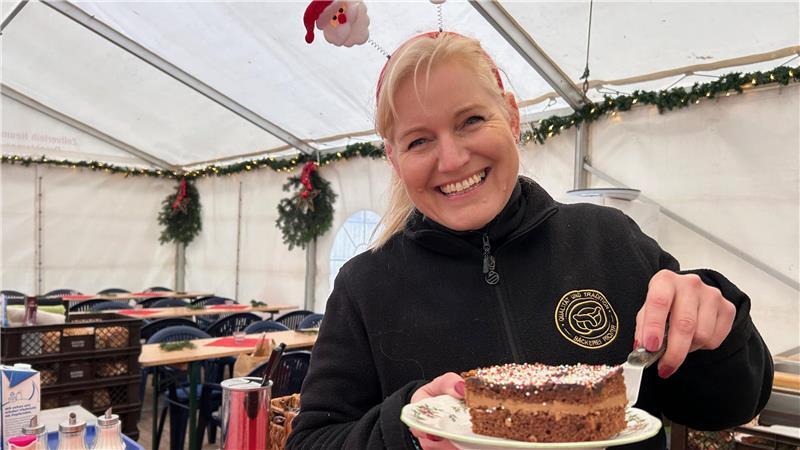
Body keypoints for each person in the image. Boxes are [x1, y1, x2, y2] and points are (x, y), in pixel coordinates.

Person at [286, 32, 773, 450]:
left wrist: (719, 335)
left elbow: (729, 404)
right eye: (419, 141)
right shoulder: (365, 285)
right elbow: (314, 439)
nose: (452, 159)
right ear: (394, 160)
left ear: (513, 118)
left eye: (471, 121)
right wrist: (406, 429)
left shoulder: (608, 241)